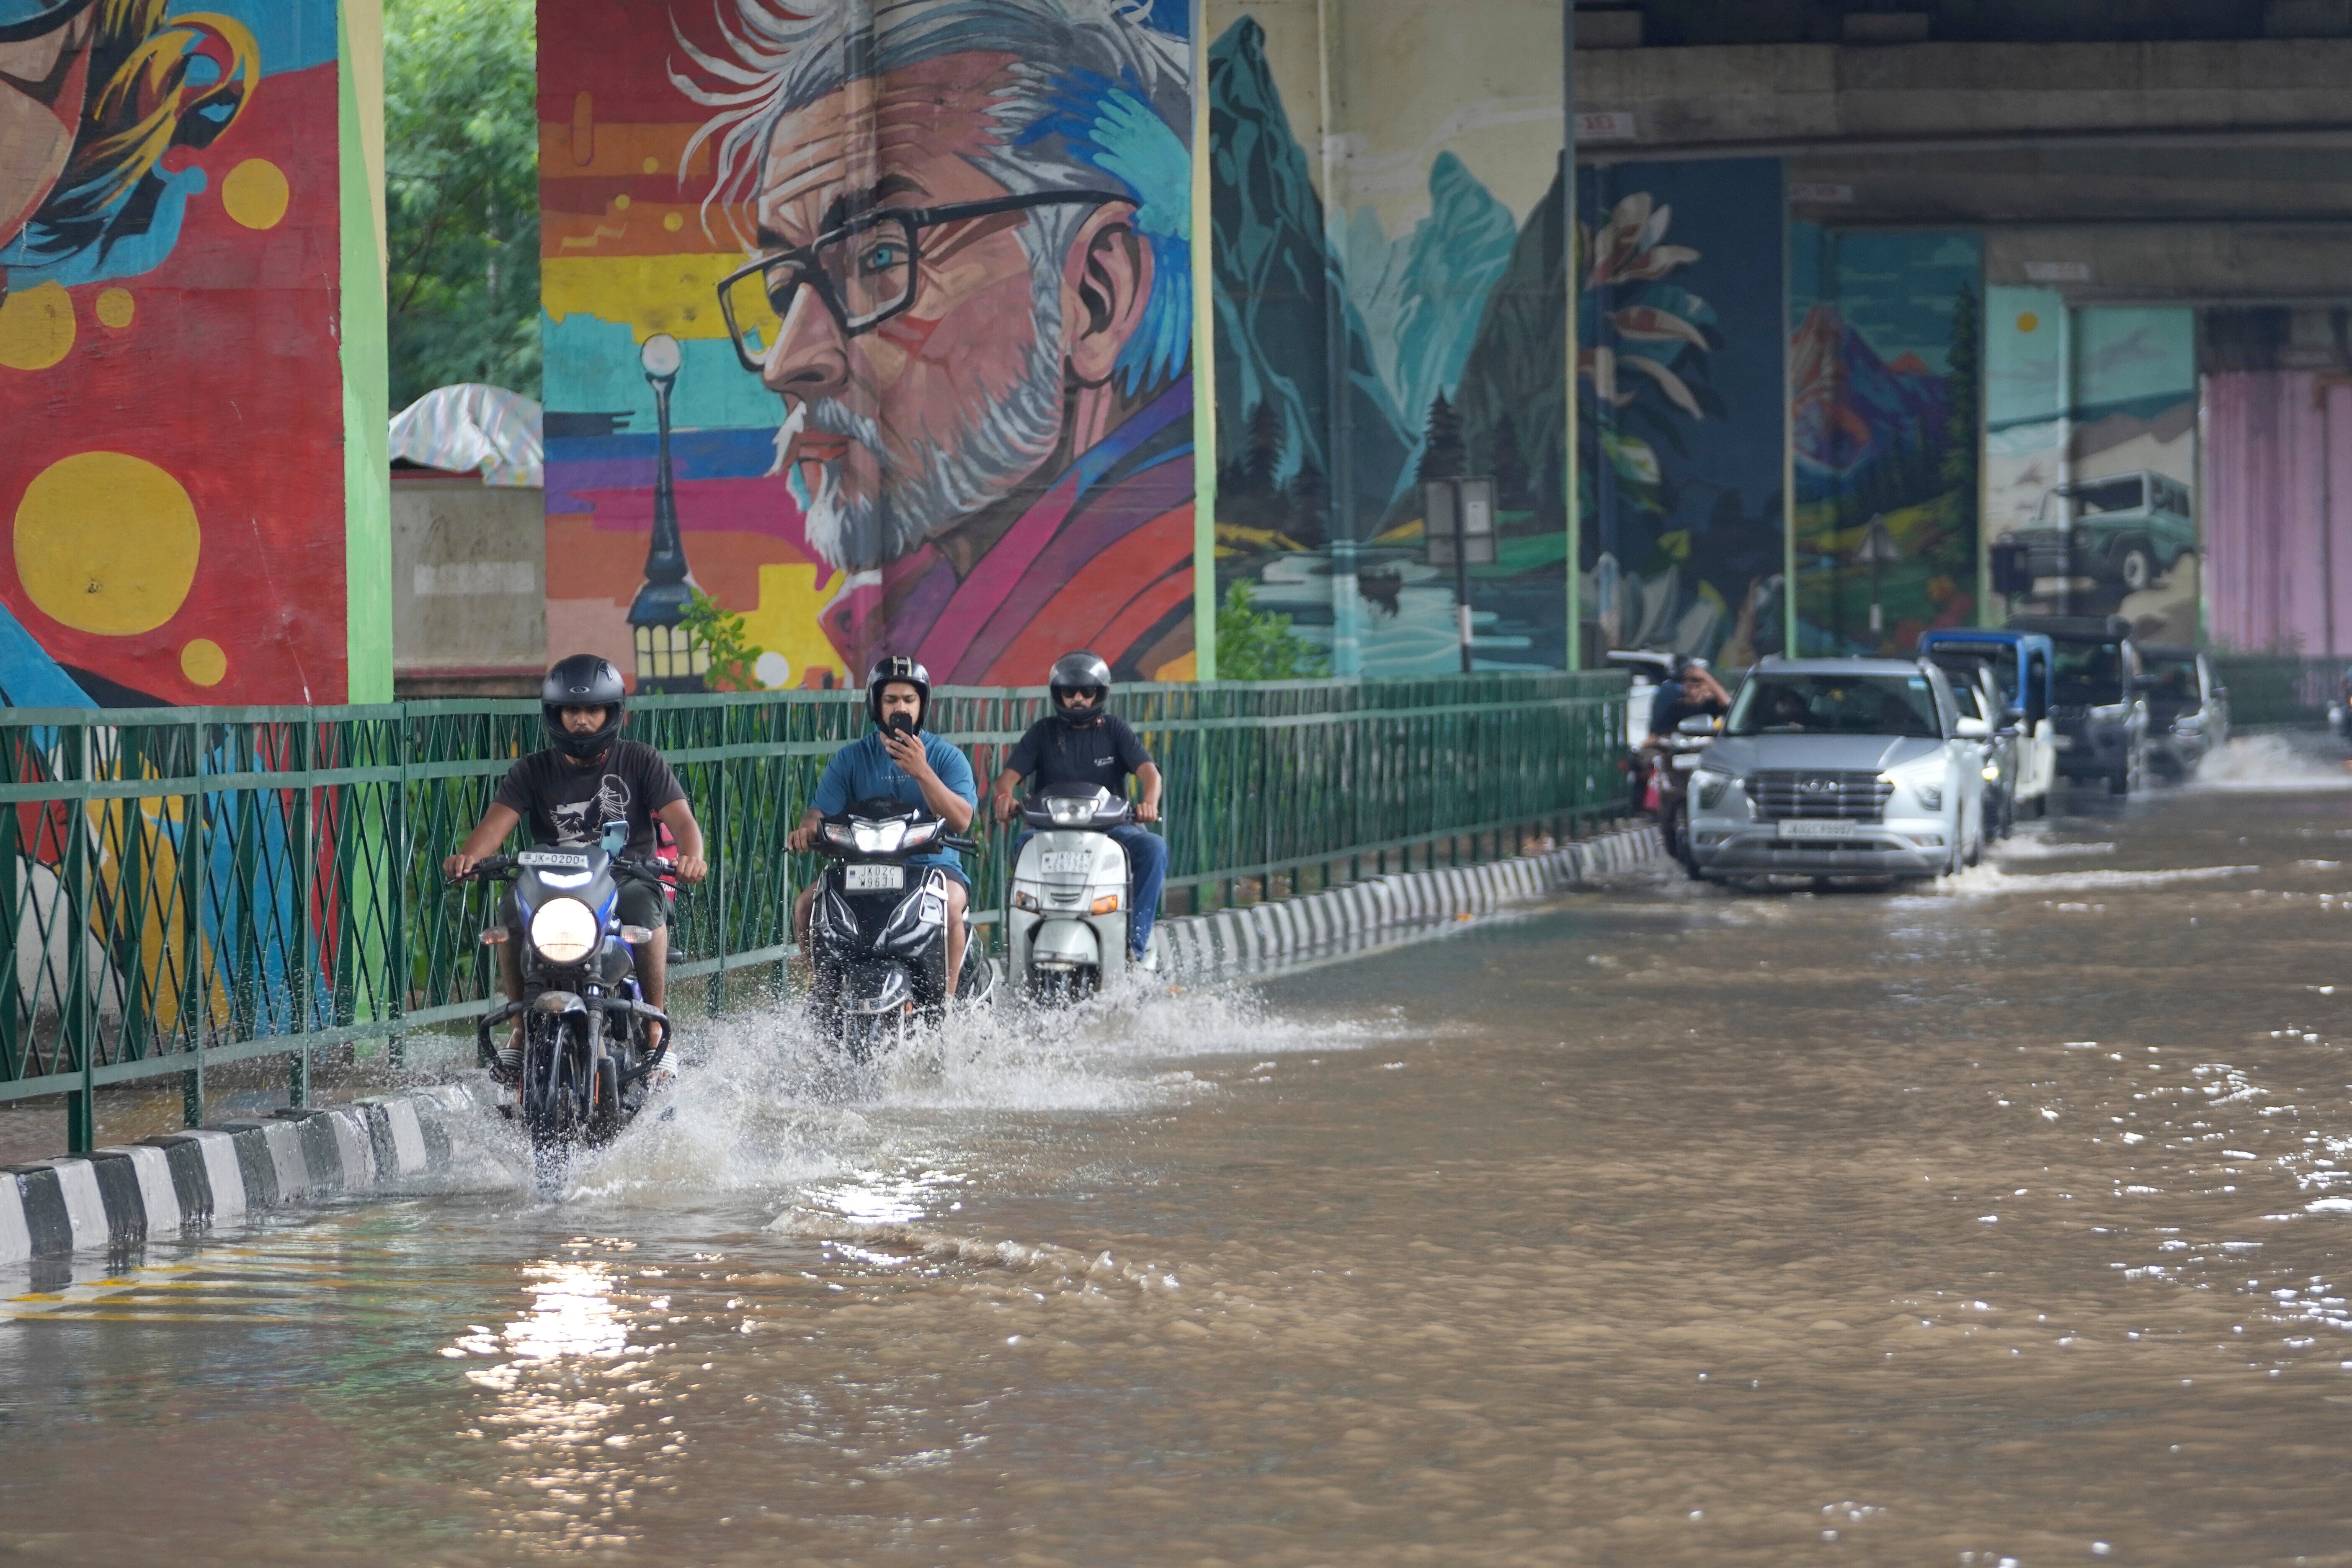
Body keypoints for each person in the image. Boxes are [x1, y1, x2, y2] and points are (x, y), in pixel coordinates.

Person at [685, 0, 1198, 685]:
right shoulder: (935, 606)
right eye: (785, 289)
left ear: (1097, 296)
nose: (787, 362)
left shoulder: (1175, 615)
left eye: (879, 261)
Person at [443, 655, 709, 1075]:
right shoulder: (532, 770)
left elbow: (681, 820)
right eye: (572, 711)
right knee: (510, 910)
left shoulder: (642, 761)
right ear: (555, 715)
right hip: (552, 884)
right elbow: (494, 827)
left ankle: (657, 1030)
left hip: (624, 878)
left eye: (592, 710)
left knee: (645, 910)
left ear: (612, 712)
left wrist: (694, 857)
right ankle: (518, 1029)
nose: (582, 721)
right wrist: (468, 858)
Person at [788, 656, 980, 996]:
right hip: (862, 868)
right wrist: (807, 830)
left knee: (949, 907)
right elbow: (819, 812)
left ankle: (947, 1009)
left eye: (909, 700)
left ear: (923, 705)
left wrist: (923, 772)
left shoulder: (947, 757)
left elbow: (962, 820)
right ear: (876, 705)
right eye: (891, 700)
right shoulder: (850, 758)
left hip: (933, 868)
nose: (900, 708)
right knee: (806, 905)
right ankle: (821, 992)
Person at [989, 651, 1167, 965]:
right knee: (1021, 848)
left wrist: (1149, 804)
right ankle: (1019, 947)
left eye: (1088, 691)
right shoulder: (1042, 733)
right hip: (1049, 830)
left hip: (1112, 831)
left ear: (1101, 694)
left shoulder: (1115, 730)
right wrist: (1005, 800)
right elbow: (1006, 779)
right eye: (1070, 692)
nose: (1079, 699)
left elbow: (1150, 773)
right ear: (1058, 695)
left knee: (1153, 848)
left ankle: (1135, 946)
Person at [1649, 655, 1731, 738]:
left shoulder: (1712, 706)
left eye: (1698, 685)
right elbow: (1656, 734)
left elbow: (1728, 704)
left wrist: (1705, 676)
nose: (1693, 690)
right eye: (1689, 685)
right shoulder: (1675, 709)